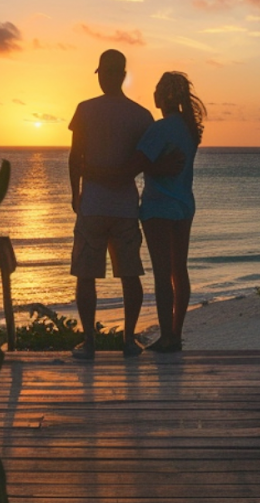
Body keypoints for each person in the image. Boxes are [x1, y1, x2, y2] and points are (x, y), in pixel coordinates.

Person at [87, 72, 204, 354]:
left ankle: (166, 337)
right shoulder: (189, 129)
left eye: (156, 90)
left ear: (162, 96)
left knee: (163, 274)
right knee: (180, 271)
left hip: (159, 207)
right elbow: (157, 164)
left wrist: (96, 172)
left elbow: (133, 167)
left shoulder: (160, 129)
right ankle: (175, 333)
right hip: (184, 204)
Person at [67, 49, 154, 359]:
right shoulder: (141, 115)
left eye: (103, 73)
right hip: (125, 206)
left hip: (93, 205)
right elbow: (146, 161)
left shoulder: (85, 109)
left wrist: (75, 193)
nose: (103, 79)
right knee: (129, 274)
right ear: (124, 75)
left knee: (87, 275)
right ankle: (128, 340)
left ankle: (89, 342)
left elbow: (75, 157)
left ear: (108, 74)